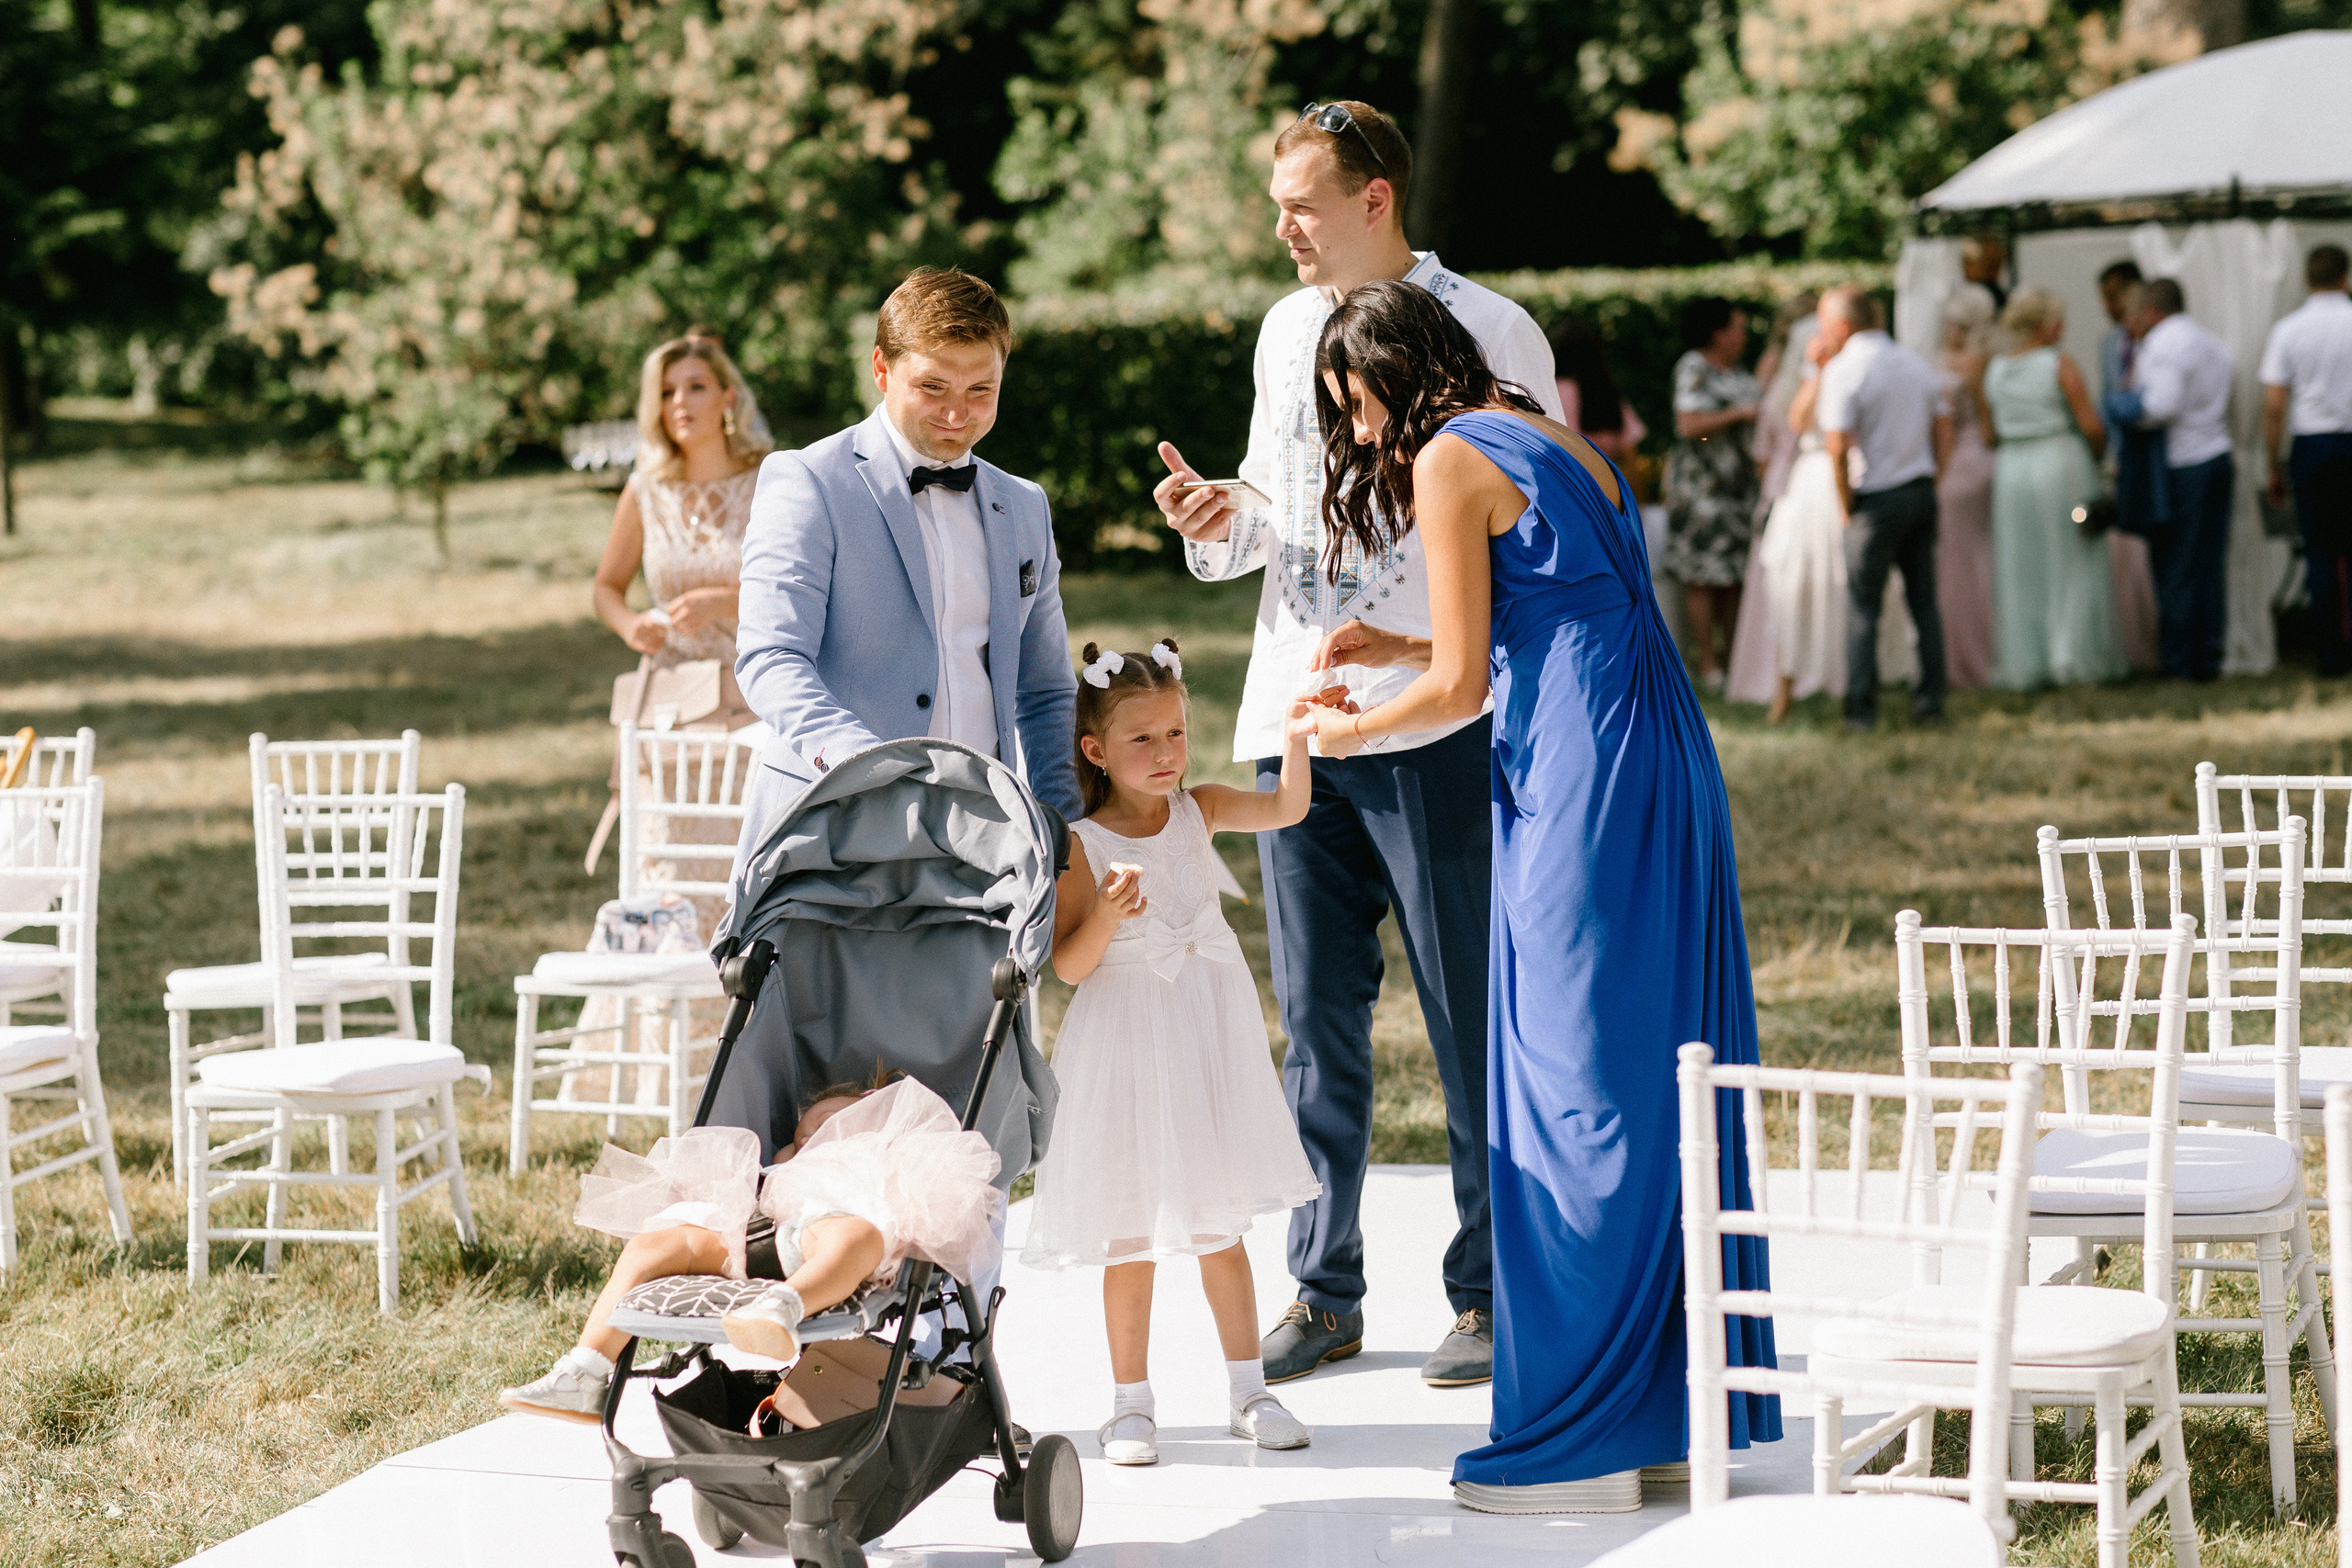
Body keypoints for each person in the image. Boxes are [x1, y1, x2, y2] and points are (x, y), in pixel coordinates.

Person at [1297, 279, 1777, 1514]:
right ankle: (1675, 1406)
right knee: (1661, 1062)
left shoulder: (1450, 457)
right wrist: (1398, 648)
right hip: (1664, 754)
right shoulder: (1549, 428)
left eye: (1352, 405)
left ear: (1394, 375)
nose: (1356, 434)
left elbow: (1466, 690)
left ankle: (1583, 1423)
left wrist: (1342, 740)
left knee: (1573, 1079)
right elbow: (1558, 608)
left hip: (1577, 772)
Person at [1149, 99, 1560, 1391]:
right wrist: (1219, 516)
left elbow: (1538, 528)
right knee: (1317, 1026)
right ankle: (1324, 1288)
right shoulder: (1285, 332)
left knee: (1468, 1012)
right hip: (1296, 720)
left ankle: (1494, 1289)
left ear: (1375, 198)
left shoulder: (1495, 331)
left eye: (1304, 205)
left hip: (1442, 718)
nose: (1283, 229)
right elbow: (1278, 503)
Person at [1023, 638, 1325, 1463]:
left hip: (1204, 1035)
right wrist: (1114, 915)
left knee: (1218, 1222)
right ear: (1096, 751)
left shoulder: (1204, 808)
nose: (1166, 756)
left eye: (1176, 735)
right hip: (1125, 1044)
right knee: (1129, 1233)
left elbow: (1290, 808)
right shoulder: (1081, 844)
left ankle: (1248, 1389)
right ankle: (1130, 1403)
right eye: (1142, 740)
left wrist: (1294, 729)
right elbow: (1071, 966)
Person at [731, 267, 1084, 863]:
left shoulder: (1024, 506)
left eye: (981, 390)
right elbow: (771, 658)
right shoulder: (808, 481)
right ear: (881, 369)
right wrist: (868, 768)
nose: (957, 413)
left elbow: (1046, 691)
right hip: (834, 832)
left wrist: (1064, 829)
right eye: (934, 385)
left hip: (986, 844)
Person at [497, 1074, 1001, 1424]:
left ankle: (783, 1306)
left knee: (858, 1239)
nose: (807, 1140)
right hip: (748, 1231)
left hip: (823, 1229)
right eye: (801, 1137)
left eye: (824, 1127)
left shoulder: (885, 1154)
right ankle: (585, 1370)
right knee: (656, 1243)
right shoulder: (786, 1161)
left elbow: (926, 1202)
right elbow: (762, 1179)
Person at [581, 329, 773, 1106]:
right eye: (665, 392)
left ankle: (750, 1057)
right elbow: (606, 585)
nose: (678, 405)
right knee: (666, 874)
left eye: (694, 386)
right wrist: (634, 627)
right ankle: (672, 1071)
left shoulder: (771, 481)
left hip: (750, 702)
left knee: (741, 876)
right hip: (669, 707)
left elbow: (805, 591)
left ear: (727, 395)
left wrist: (727, 601)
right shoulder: (645, 488)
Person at [1814, 285, 1953, 729]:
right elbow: (1944, 424)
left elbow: (1835, 446)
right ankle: (1930, 702)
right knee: (1924, 603)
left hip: (1874, 497)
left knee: (1862, 608)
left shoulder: (1844, 369)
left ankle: (1860, 710)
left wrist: (1843, 505)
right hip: (1919, 491)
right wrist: (1935, 476)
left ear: (1842, 325)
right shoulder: (1915, 362)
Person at [1985, 288, 2126, 689]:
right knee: (2073, 556)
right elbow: (2093, 427)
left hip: (2011, 470)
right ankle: (2073, 656)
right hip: (2059, 466)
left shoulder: (1994, 369)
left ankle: (2028, 661)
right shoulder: (2058, 364)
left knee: (2021, 562)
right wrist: (2100, 459)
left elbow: (1991, 428)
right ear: (2045, 324)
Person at [2108, 277, 2236, 682]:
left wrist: (2118, 403)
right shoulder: (2212, 343)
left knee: (2176, 566)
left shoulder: (2162, 344)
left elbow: (2160, 406)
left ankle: (2179, 662)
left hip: (2184, 464)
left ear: (2151, 310)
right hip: (2217, 455)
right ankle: (2208, 654)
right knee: (2209, 565)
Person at [2260, 244, 2352, 676]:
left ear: (2305, 279)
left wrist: (2272, 461)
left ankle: (2329, 654)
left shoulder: (2288, 329)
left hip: (2312, 445)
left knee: (2318, 550)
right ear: (2345, 277)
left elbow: (2274, 403)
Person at [1664, 298, 1762, 692]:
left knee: (1734, 577)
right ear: (1718, 333)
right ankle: (1706, 662)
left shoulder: (1739, 373)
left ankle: (1732, 659)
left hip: (1738, 493)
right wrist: (1739, 414)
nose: (1743, 335)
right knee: (1702, 577)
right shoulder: (1693, 367)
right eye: (1738, 327)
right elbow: (1690, 426)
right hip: (1701, 492)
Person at [2097, 262, 2164, 672]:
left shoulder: (2158, 343)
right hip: (2122, 459)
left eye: (2116, 295)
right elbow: (2108, 398)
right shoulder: (2109, 345)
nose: (2111, 305)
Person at [1934, 286, 1997, 690]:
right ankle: (1983, 651)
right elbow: (1991, 428)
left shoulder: (1939, 362)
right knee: (1981, 560)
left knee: (1954, 565)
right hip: (1978, 462)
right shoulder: (1984, 363)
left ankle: (1957, 655)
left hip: (1952, 467)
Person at [1548, 316, 1647, 466]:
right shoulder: (1607, 391)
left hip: (1573, 481)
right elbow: (1629, 452)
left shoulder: (1557, 391)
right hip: (1609, 482)